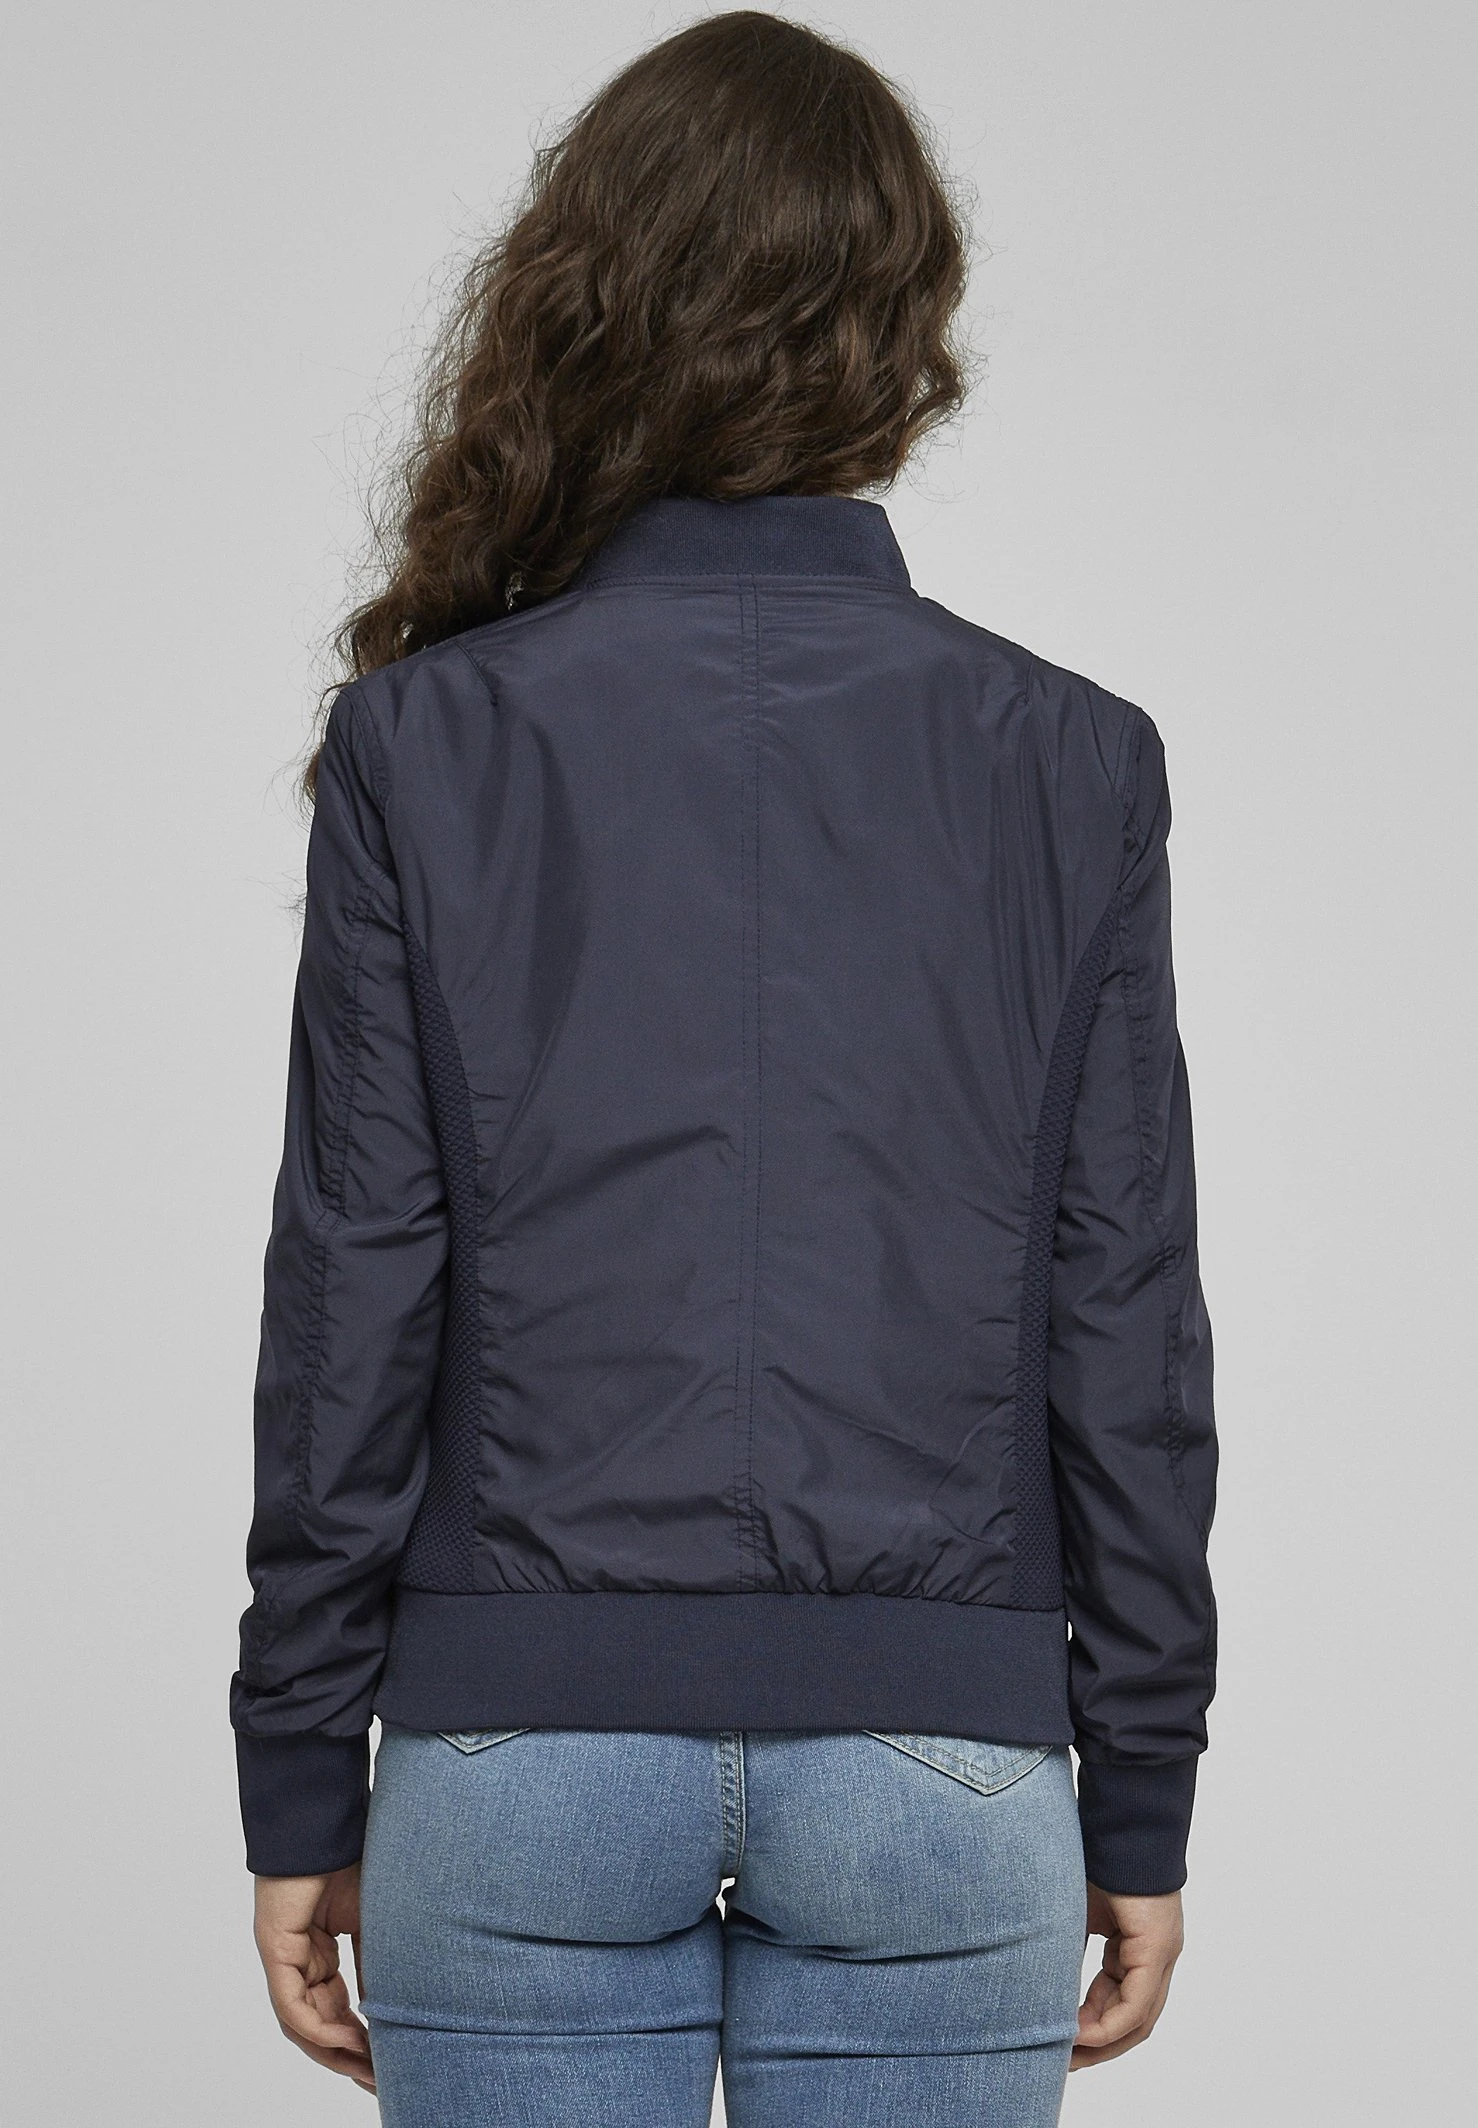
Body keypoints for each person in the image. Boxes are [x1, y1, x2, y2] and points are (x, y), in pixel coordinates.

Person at [231, 13, 1218, 2124]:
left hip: (518, 1754)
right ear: (903, 330)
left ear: (587, 299)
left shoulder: (428, 740)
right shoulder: (1070, 761)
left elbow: (351, 1298)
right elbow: (1121, 1311)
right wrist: (1141, 1779)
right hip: (945, 1763)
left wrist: (301, 1763)